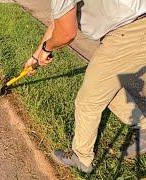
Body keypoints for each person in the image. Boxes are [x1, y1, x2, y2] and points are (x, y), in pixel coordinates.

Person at [24, 0, 146, 173]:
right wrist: (36, 57)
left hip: (130, 31)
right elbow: (56, 25)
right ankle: (142, 124)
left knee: (87, 102)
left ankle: (82, 158)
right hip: (132, 28)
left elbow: (66, 33)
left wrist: (47, 48)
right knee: (104, 89)